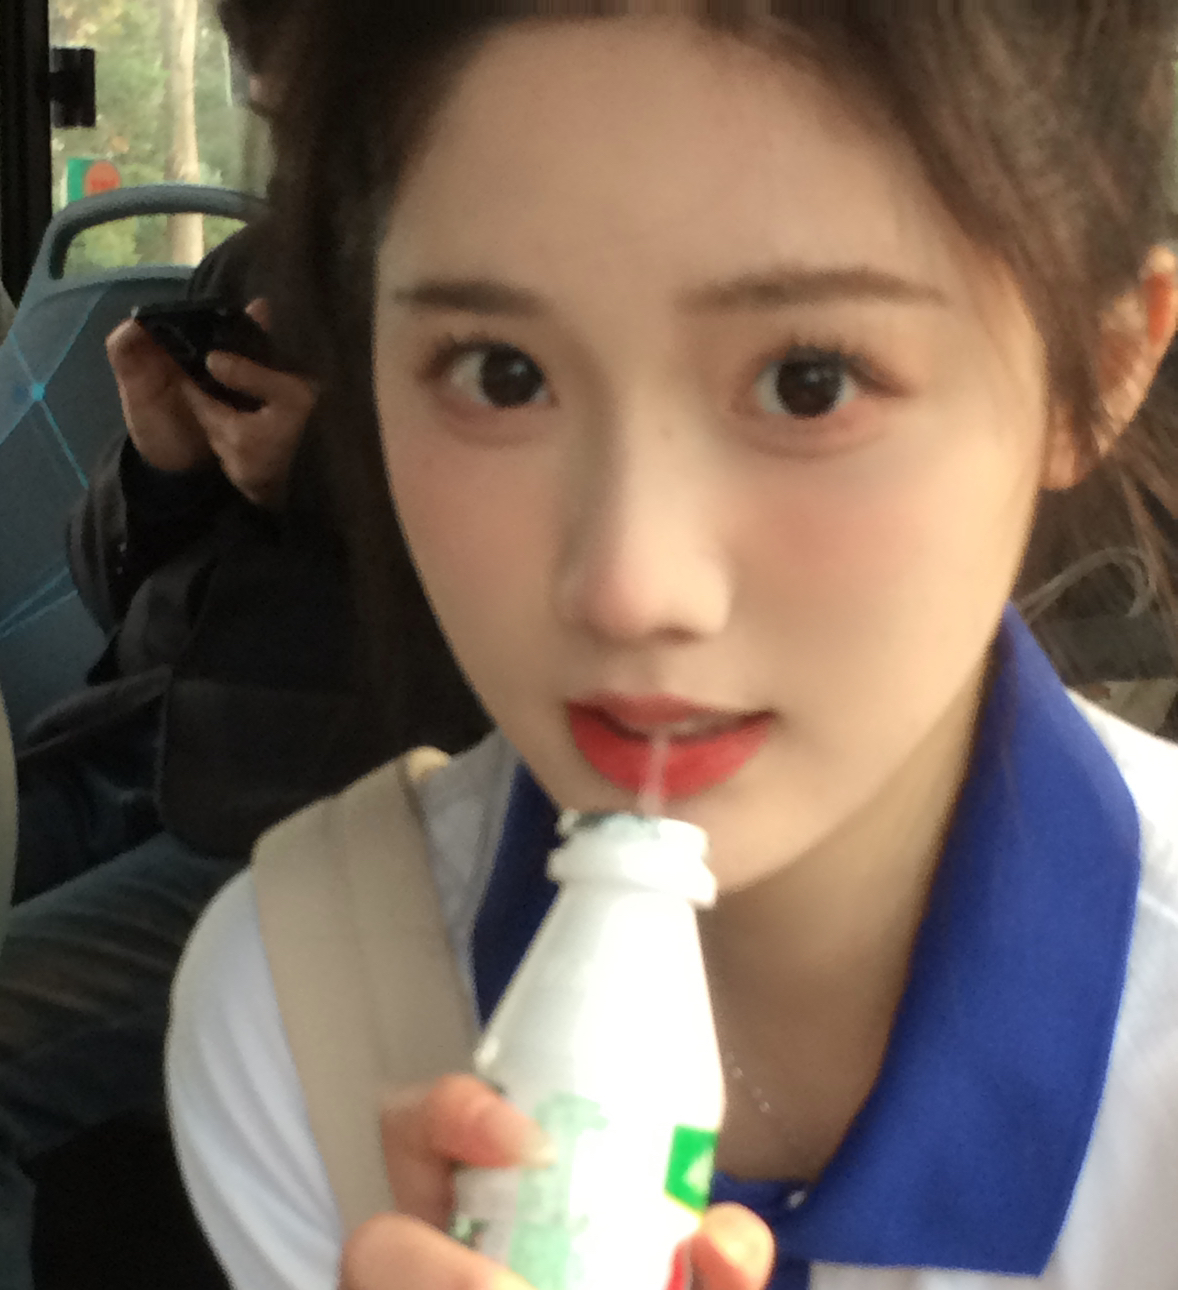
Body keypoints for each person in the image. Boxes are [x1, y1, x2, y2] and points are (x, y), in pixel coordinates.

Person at [165, 5, 1178, 1290]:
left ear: (1103, 365)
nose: (629, 589)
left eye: (811, 380)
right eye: (498, 372)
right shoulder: (313, 1012)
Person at [0, 4, 488, 1288]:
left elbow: (530, 596)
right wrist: (161, 464)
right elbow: (113, 587)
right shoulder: (266, 264)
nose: (277, 114)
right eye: (266, 87)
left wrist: (322, 473)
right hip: (127, 744)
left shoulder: (510, 300)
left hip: (319, 802)